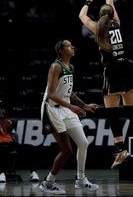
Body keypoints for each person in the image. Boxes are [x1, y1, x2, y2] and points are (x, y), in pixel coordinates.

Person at [79, 0, 133, 170]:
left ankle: (121, 149)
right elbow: (110, 4)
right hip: (127, 68)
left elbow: (81, 16)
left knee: (113, 114)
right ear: (111, 14)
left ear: (101, 15)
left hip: (112, 71)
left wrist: (88, 1)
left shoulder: (97, 28)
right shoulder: (116, 23)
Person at [39, 39, 99, 195]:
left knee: (84, 143)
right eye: (68, 45)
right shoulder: (55, 66)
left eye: (72, 44)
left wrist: (84, 105)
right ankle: (48, 183)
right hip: (51, 109)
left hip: (66, 108)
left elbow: (68, 92)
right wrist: (73, 107)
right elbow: (51, 94)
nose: (72, 46)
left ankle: (81, 180)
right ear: (60, 51)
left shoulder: (70, 66)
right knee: (66, 150)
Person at [0, 100, 39, 183]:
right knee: (3, 149)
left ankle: (33, 172)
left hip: (10, 144)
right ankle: (1, 173)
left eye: (2, 109)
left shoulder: (5, 121)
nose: (2, 111)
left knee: (30, 148)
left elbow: (11, 124)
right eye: (0, 109)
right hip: (1, 145)